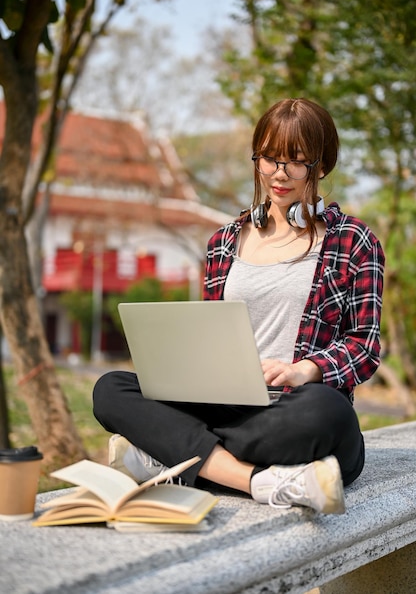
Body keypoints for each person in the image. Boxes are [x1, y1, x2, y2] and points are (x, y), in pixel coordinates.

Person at [93, 98, 384, 514]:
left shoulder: (354, 241)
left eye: (296, 162)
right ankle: (258, 480)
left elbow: (365, 344)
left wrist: (307, 369)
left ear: (321, 166)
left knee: (330, 412)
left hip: (292, 410)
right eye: (269, 158)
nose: (278, 175)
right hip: (227, 407)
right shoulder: (223, 242)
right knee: (111, 388)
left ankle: (170, 452)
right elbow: (210, 332)